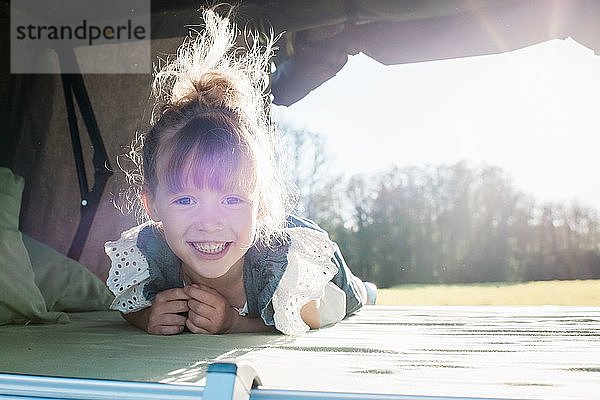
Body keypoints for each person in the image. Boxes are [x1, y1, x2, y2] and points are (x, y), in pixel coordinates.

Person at [105, 7, 375, 336]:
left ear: (260, 202)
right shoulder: (150, 251)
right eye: (186, 200)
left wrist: (234, 323)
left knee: (353, 297)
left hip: (313, 276)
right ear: (153, 205)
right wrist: (148, 317)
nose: (209, 222)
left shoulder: (284, 264)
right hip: (253, 229)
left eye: (231, 198)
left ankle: (367, 288)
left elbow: (313, 318)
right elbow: (128, 305)